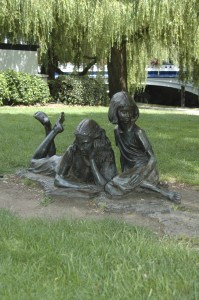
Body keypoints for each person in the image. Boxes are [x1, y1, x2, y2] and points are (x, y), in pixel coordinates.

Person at [104, 91, 181, 204]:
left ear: (134, 111)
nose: (127, 116)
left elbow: (153, 158)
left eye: (129, 112)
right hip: (131, 171)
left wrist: (142, 173)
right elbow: (123, 154)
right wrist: (124, 172)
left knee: (113, 185)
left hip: (147, 170)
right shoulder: (117, 131)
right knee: (110, 188)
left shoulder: (138, 132)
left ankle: (166, 193)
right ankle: (139, 186)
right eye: (123, 112)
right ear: (115, 112)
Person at [29, 111, 117, 191]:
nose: (81, 147)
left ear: (96, 139)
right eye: (79, 143)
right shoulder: (73, 150)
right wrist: (81, 187)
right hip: (54, 165)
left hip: (61, 160)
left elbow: (106, 186)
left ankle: (53, 129)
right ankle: (52, 128)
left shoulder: (106, 154)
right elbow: (58, 180)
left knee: (50, 155)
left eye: (85, 143)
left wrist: (92, 160)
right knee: (34, 162)